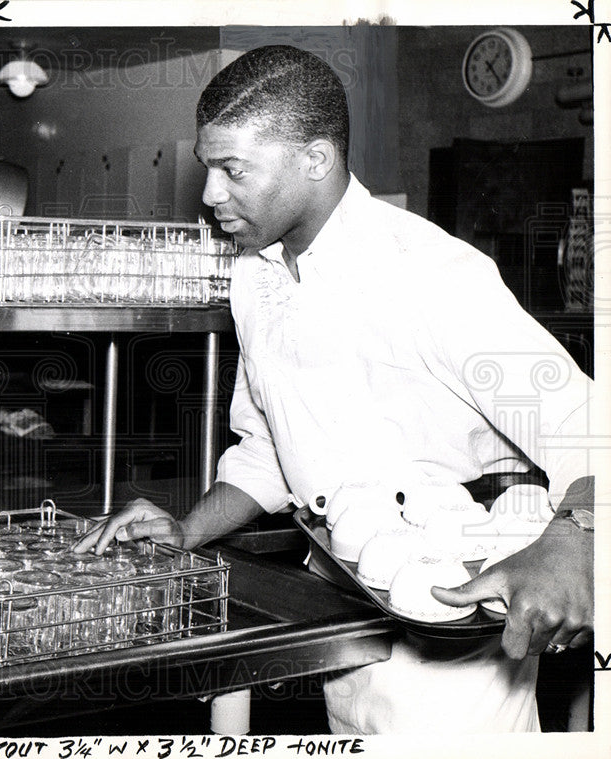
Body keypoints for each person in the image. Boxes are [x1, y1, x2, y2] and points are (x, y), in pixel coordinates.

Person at [74, 45, 596, 733]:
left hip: (452, 620)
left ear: (316, 160)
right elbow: (269, 446)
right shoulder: (255, 278)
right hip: (342, 605)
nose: (209, 194)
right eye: (209, 167)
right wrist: (188, 529)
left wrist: (574, 538)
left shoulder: (430, 274)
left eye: (234, 170)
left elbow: (587, 422)